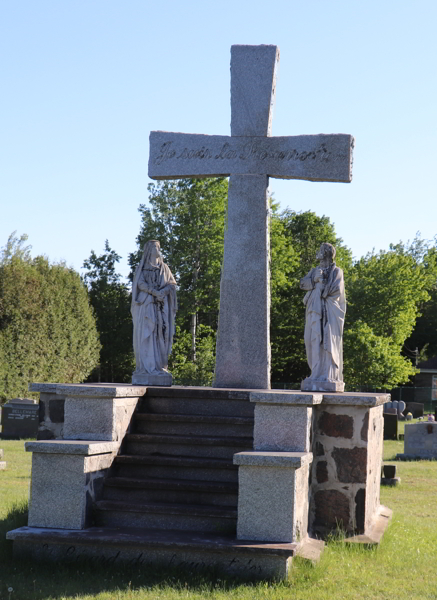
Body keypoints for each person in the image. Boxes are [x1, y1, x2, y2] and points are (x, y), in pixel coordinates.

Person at [299, 242, 346, 391]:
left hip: (329, 312)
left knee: (327, 342)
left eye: (320, 250)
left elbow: (336, 290)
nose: (317, 253)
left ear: (325, 253)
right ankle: (315, 373)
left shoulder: (336, 271)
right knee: (311, 339)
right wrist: (314, 280)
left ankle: (327, 375)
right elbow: (302, 284)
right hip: (314, 310)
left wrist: (322, 286)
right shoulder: (314, 271)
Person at [131, 240, 177, 384]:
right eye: (156, 247)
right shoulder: (142, 268)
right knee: (147, 333)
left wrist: (162, 292)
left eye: (159, 247)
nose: (158, 249)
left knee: (160, 335)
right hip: (147, 305)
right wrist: (153, 292)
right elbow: (140, 283)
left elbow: (172, 284)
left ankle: (159, 366)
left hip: (161, 306)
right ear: (149, 250)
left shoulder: (164, 268)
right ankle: (146, 367)